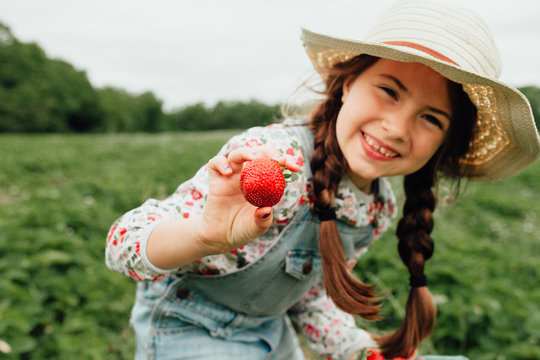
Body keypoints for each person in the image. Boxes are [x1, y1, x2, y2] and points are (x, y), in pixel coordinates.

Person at [105, 0, 540, 359]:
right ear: (347, 81)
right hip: (188, 326)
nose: (397, 128)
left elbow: (307, 296)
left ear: (444, 143)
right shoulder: (277, 163)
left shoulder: (376, 208)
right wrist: (202, 235)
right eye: (389, 91)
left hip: (268, 334)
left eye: (430, 118)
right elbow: (123, 244)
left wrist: (358, 351)